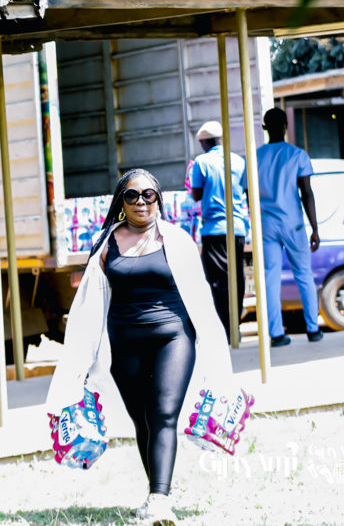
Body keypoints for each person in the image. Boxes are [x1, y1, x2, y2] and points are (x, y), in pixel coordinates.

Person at [46, 168, 232, 526]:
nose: (142, 202)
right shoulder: (105, 245)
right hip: (123, 345)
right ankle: (156, 493)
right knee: (143, 423)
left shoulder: (177, 241)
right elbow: (87, 306)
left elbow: (200, 299)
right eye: (133, 196)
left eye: (149, 195)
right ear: (122, 203)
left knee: (164, 415)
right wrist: (80, 363)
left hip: (173, 338)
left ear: (158, 199)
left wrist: (212, 349)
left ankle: (160, 500)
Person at [247, 107, 322, 347]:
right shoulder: (297, 155)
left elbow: (248, 193)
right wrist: (315, 228)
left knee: (270, 277)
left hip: (266, 224)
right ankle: (313, 329)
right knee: (303, 275)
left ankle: (277, 334)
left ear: (265, 128)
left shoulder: (254, 157)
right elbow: (306, 193)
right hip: (294, 225)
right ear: (286, 126)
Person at [190, 121, 248, 339]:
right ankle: (236, 325)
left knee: (217, 281)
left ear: (205, 142)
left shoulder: (201, 162)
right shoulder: (238, 160)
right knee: (237, 277)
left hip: (214, 229)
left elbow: (196, 194)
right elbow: (244, 190)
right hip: (238, 228)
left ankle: (225, 327)